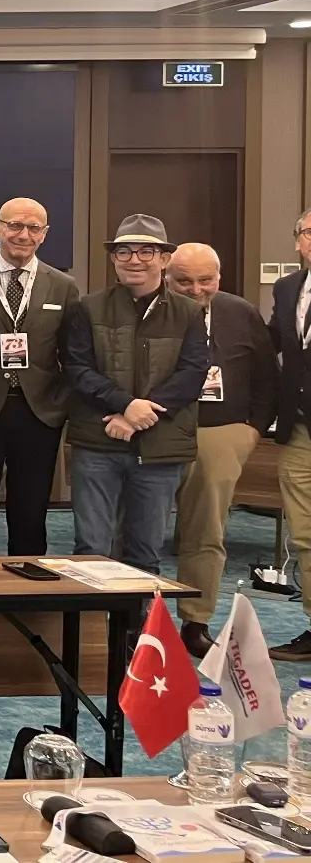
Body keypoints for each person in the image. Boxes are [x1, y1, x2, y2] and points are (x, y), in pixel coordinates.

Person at [61, 214, 207, 576]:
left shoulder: (189, 312)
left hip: (160, 447)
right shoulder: (87, 308)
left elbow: (192, 374)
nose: (134, 260)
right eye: (124, 251)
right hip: (97, 443)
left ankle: (137, 617)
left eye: (146, 251)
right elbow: (78, 370)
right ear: (114, 258)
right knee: (91, 550)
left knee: (144, 554)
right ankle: (92, 618)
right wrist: (125, 405)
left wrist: (139, 416)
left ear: (165, 258)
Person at [0, 198, 79, 557]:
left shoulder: (63, 286)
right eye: (15, 226)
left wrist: (60, 405)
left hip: (38, 414)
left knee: (30, 514)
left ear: (45, 234)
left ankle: (25, 582)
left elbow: (73, 354)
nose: (24, 235)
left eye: (33, 228)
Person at [168, 242, 274, 657]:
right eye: (184, 281)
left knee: (206, 533)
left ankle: (195, 621)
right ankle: (136, 619)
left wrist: (253, 430)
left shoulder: (240, 312)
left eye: (205, 280)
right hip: (158, 430)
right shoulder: (151, 308)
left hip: (220, 431)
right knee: (136, 531)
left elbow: (266, 375)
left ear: (219, 278)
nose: (196, 290)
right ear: (167, 277)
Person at [267, 209, 311, 660]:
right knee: (304, 534)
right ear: (298, 240)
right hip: (298, 428)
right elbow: (271, 345)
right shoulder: (286, 288)